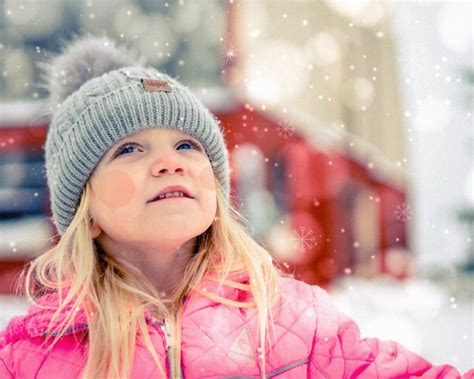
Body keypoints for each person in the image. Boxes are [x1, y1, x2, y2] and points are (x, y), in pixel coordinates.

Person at [0, 36, 471, 379]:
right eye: (129, 149)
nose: (169, 163)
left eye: (188, 145)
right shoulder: (33, 355)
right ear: (86, 209)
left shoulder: (291, 322)